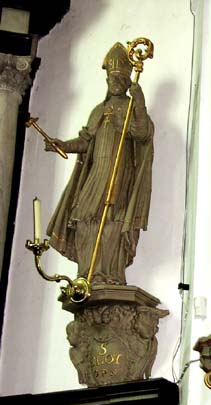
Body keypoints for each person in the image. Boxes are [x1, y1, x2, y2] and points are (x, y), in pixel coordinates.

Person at [45, 42, 154, 285]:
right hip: (96, 172)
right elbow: (85, 141)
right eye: (111, 79)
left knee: (112, 221)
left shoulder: (129, 108)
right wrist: (62, 144)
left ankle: (109, 274)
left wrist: (139, 102)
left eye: (119, 80)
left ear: (127, 83)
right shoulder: (98, 110)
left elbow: (142, 133)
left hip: (119, 171)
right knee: (84, 218)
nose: (114, 83)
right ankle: (88, 272)